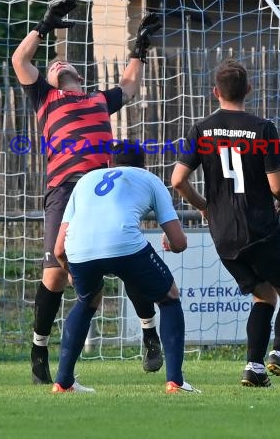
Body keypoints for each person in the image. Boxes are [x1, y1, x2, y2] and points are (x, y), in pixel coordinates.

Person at [12, 0, 164, 384]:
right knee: (54, 277)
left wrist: (139, 49)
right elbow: (19, 61)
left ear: (78, 74)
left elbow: (128, 87)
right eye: (52, 65)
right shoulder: (45, 98)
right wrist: (45, 25)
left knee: (127, 256)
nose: (58, 65)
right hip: (64, 191)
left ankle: (149, 333)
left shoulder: (98, 99)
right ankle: (39, 348)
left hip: (100, 190)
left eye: (64, 64)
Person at [170, 59, 280, 388]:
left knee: (263, 296)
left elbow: (177, 180)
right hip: (260, 225)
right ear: (249, 89)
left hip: (224, 234)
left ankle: (254, 368)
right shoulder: (263, 129)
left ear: (215, 92)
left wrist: (205, 207)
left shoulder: (200, 129)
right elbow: (277, 186)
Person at [52, 141, 200, 394]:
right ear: (144, 164)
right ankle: (175, 381)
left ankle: (63, 382)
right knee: (169, 296)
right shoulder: (148, 178)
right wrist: (171, 242)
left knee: (86, 302)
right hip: (123, 243)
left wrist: (68, 271)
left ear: (110, 163)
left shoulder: (86, 181)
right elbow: (179, 243)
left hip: (79, 248)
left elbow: (58, 249)